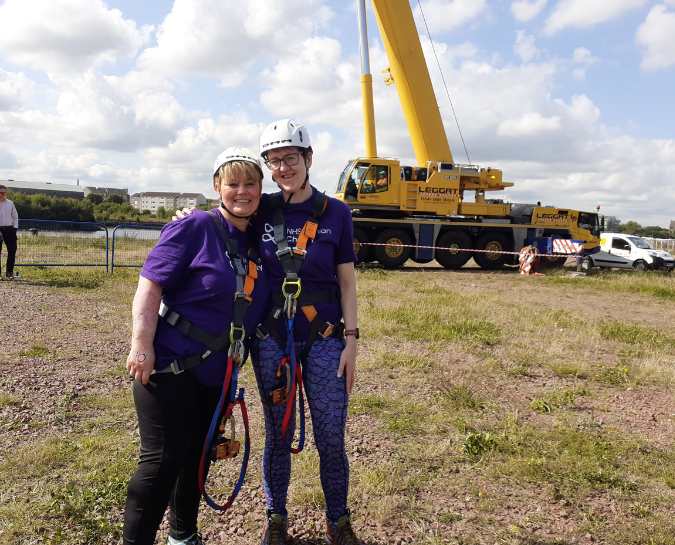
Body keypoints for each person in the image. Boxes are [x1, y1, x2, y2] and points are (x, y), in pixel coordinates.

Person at [122, 148, 268, 545]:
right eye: (232, 183)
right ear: (216, 187)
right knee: (161, 462)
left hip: (217, 374)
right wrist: (141, 344)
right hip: (169, 367)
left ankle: (183, 536)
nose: (242, 191)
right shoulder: (195, 227)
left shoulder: (255, 239)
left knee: (197, 456)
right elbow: (150, 285)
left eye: (250, 183)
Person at [253, 119, 361, 545]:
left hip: (326, 337)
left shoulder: (336, 213)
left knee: (331, 436)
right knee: (277, 434)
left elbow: (348, 282)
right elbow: (219, 222)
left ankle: (339, 520)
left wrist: (352, 341)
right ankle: (275, 519)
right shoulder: (260, 209)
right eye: (274, 161)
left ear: (308, 159)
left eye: (290, 158)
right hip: (272, 339)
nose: (282, 168)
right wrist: (184, 219)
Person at [0, 184, 19, 280]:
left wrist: (14, 228)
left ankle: (9, 273)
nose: (3, 194)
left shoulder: (10, 203)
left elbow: (15, 217)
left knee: (12, 250)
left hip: (9, 229)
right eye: (1, 192)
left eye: (4, 192)